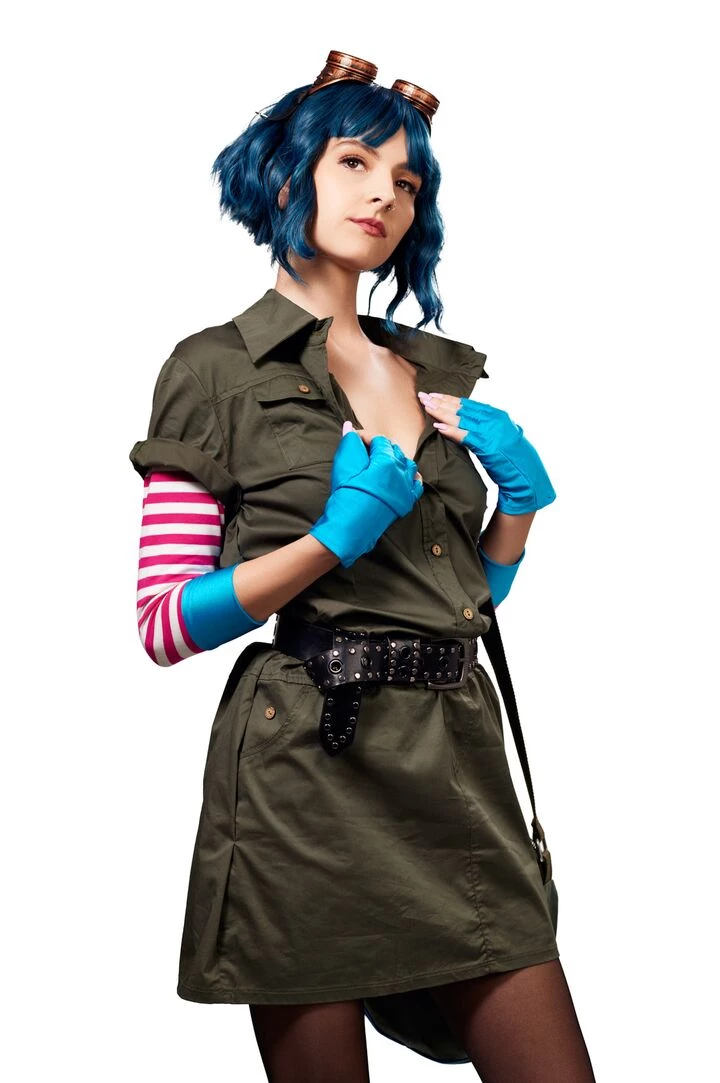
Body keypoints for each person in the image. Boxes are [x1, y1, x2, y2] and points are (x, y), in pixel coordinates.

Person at [130, 51, 596, 1083]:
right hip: (306, 770)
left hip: (454, 759)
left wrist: (518, 511)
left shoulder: (431, 373)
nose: (384, 193)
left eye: (407, 178)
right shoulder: (214, 370)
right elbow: (163, 623)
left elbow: (459, 601)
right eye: (354, 162)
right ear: (285, 177)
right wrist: (329, 541)